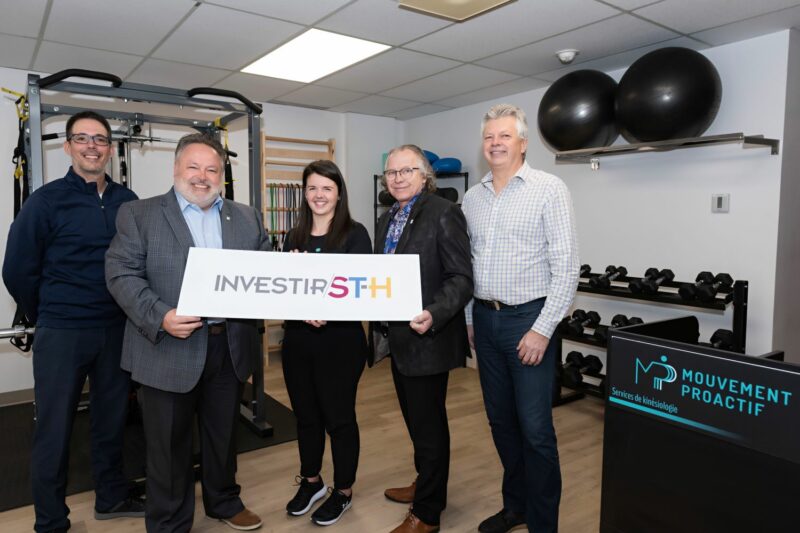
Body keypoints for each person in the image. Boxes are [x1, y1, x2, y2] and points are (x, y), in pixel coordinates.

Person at [105, 133, 268, 532]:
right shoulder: (138, 214)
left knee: (222, 436)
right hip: (167, 346)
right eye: (193, 167)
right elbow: (120, 273)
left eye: (212, 169)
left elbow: (265, 271)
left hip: (228, 347)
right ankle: (169, 522)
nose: (202, 176)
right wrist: (160, 316)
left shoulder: (247, 217)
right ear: (176, 169)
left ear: (221, 176)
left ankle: (224, 501)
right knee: (167, 445)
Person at [2, 111, 142, 533]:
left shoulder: (127, 201)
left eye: (100, 139)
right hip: (62, 330)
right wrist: (48, 312)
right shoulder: (45, 201)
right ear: (68, 147)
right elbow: (17, 270)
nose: (92, 146)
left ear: (110, 149)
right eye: (82, 138)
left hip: (116, 328)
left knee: (111, 419)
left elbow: (138, 262)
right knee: (55, 427)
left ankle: (111, 496)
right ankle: (50, 520)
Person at [461, 103, 580, 533]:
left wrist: (542, 330)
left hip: (528, 320)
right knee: (501, 423)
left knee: (535, 430)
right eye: (490, 136)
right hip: (487, 323)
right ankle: (516, 507)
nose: (495, 143)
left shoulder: (549, 189)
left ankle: (543, 524)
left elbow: (567, 269)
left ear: (523, 143)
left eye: (505, 135)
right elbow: (472, 265)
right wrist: (473, 319)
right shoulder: (473, 198)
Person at [373, 144, 473, 533]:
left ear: (424, 175)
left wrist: (435, 313)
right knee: (416, 422)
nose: (397, 178)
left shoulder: (444, 212)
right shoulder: (388, 218)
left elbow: (461, 278)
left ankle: (428, 513)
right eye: (392, 172)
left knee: (429, 428)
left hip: (427, 337)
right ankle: (424, 483)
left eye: (406, 171)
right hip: (397, 341)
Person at [281, 160, 371, 527]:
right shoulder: (293, 236)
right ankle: (312, 481)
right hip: (299, 340)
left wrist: (327, 312)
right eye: (312, 188)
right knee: (305, 416)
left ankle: (344, 490)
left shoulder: (355, 234)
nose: (319, 195)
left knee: (339, 418)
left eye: (327, 188)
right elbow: (284, 290)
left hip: (341, 341)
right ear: (305, 193)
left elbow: (362, 289)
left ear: (339, 193)